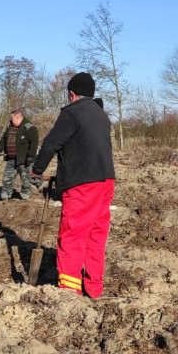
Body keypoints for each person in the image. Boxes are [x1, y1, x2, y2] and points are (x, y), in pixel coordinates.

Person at [29, 72, 115, 298]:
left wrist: (37, 171)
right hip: (106, 180)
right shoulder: (101, 115)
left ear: (72, 94)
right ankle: (94, 289)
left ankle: (69, 294)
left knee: (73, 235)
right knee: (96, 235)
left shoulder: (73, 113)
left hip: (82, 184)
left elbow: (50, 144)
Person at [0, 109, 39, 201]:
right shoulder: (10, 127)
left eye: (12, 118)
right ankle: (5, 196)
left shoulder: (29, 127)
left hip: (24, 160)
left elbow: (34, 142)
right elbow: (4, 139)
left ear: (17, 117)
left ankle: (25, 197)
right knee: (7, 179)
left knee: (26, 180)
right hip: (11, 159)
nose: (10, 120)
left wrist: (31, 156)